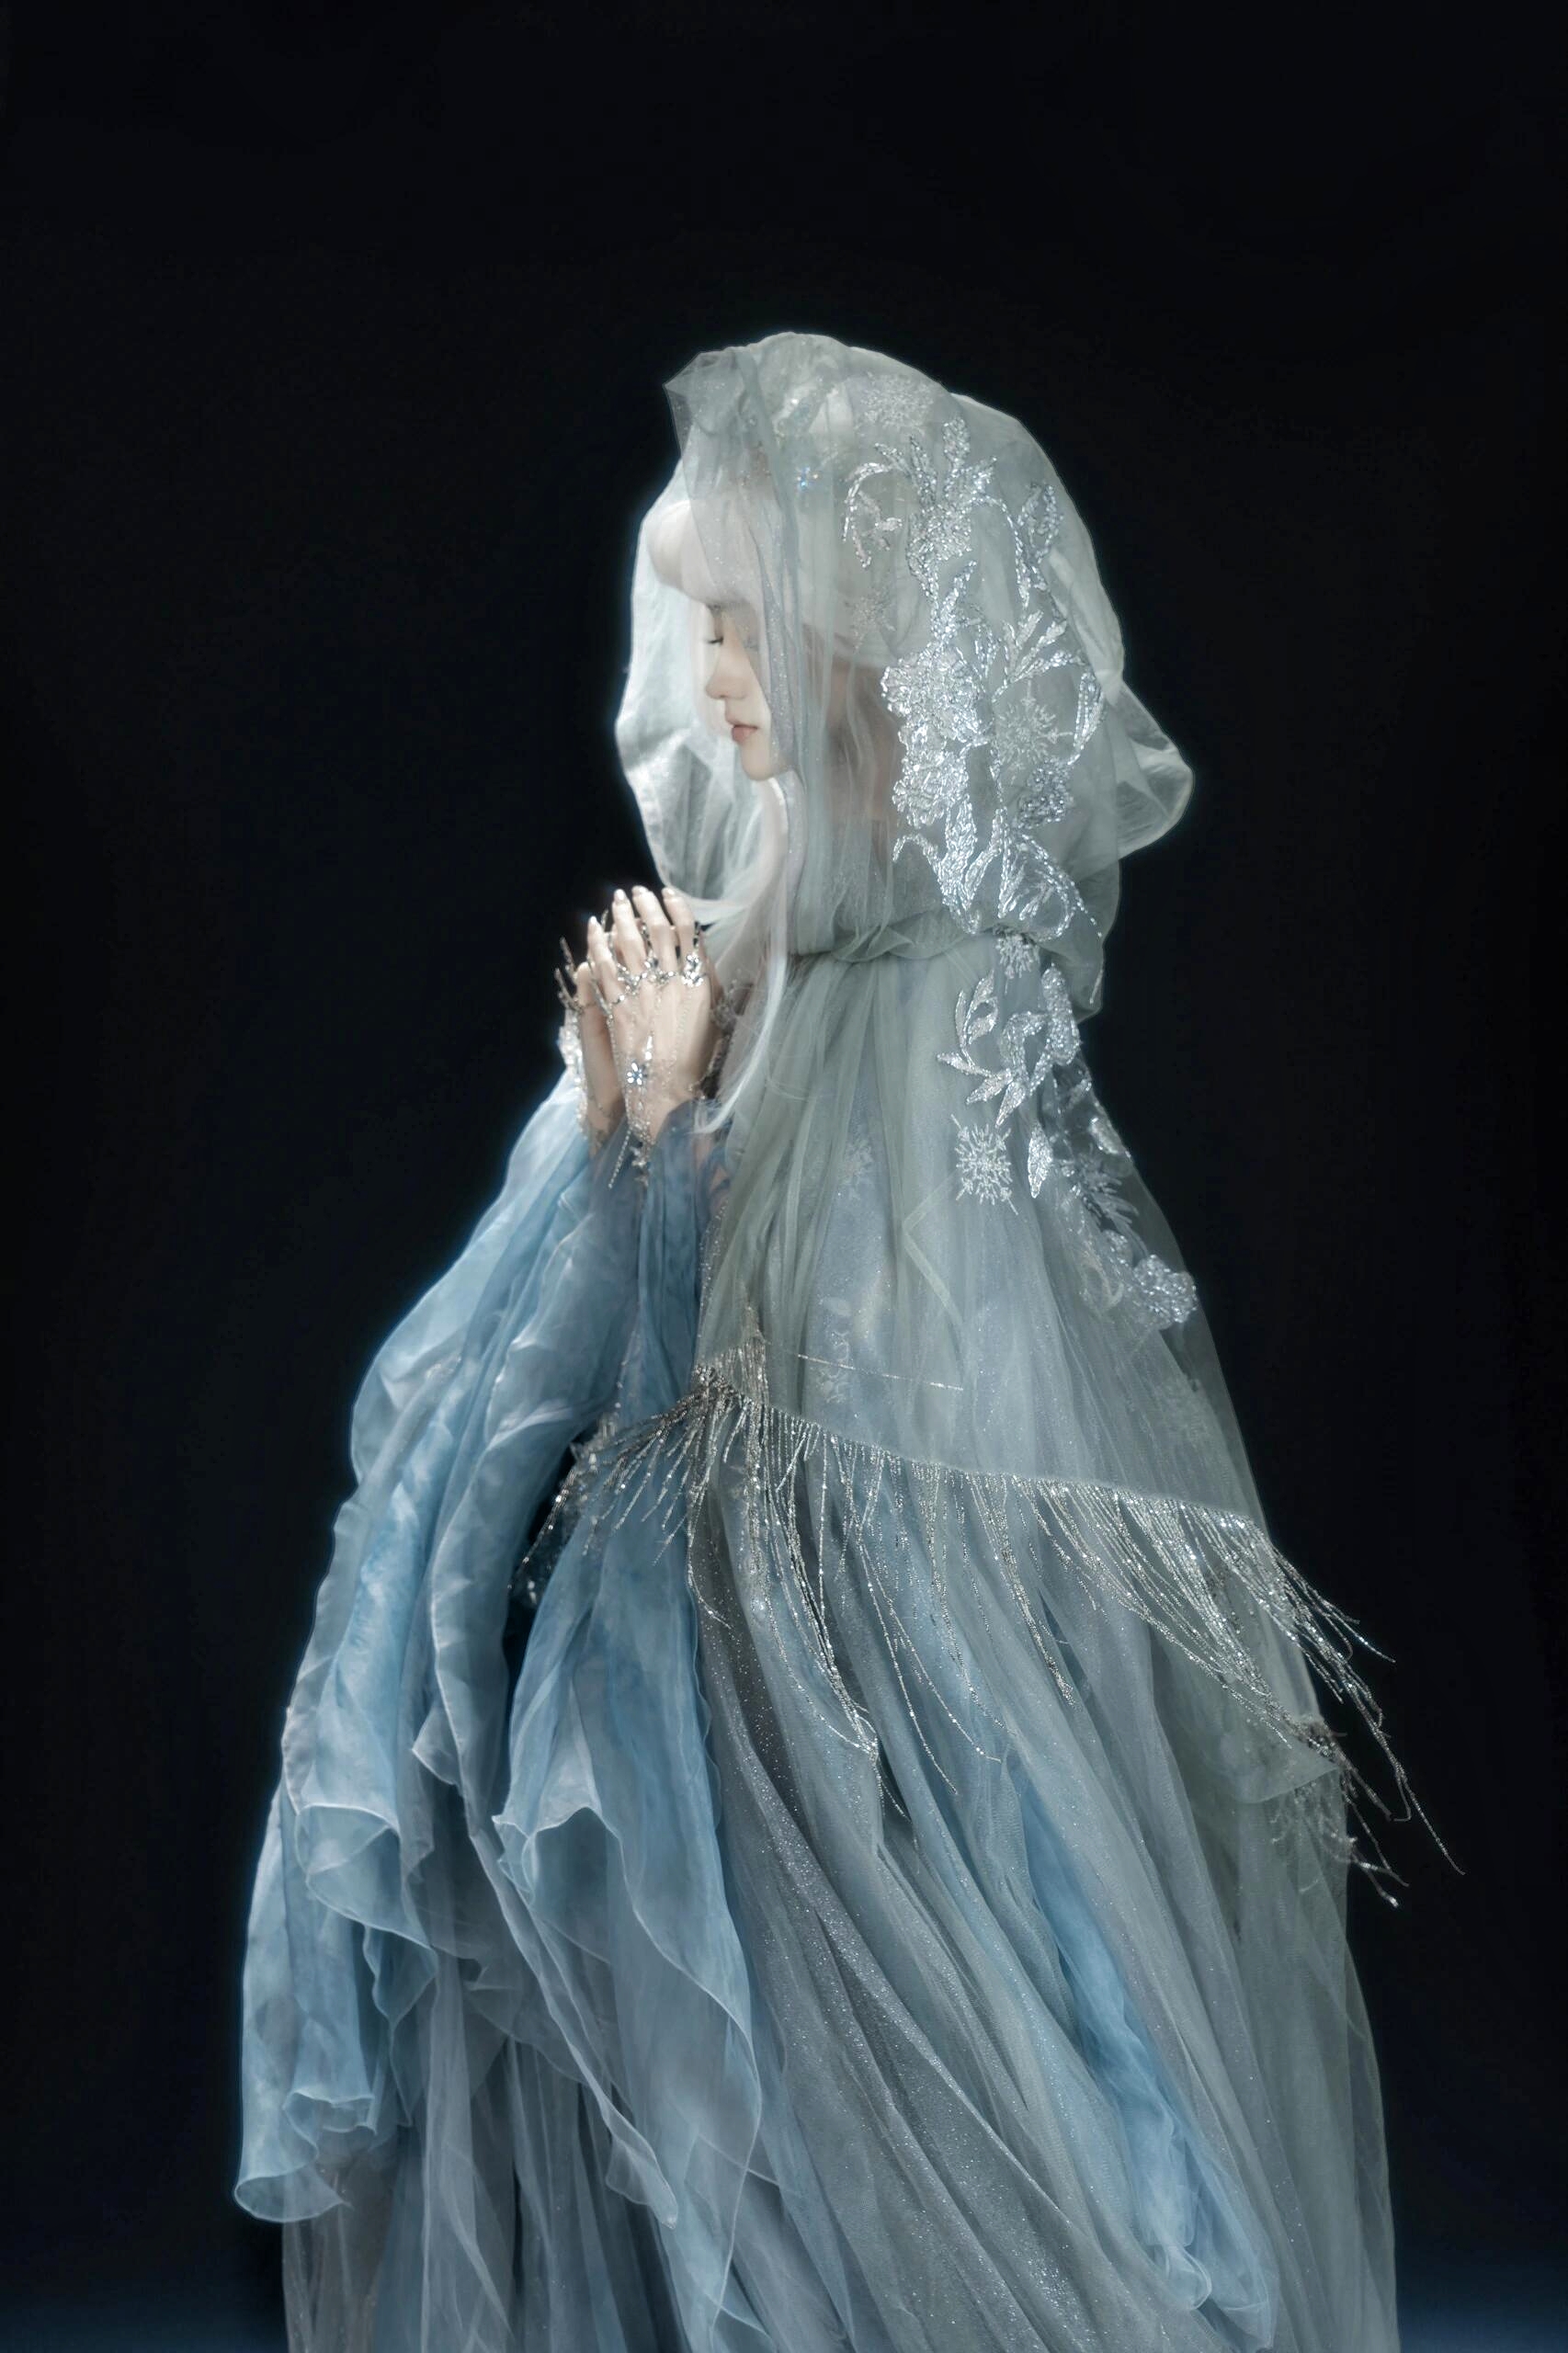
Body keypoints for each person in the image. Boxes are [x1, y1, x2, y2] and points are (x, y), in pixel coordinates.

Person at [234, 329, 1421, 2352]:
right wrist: (637, 1123)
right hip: (731, 1594)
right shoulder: (770, 912)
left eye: (743, 625)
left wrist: (660, 1124)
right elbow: (629, 1371)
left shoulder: (937, 976)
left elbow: (834, 1412)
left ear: (860, 643)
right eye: (698, 621)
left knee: (969, 1993)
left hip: (848, 1615)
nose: (708, 672)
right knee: (773, 2037)